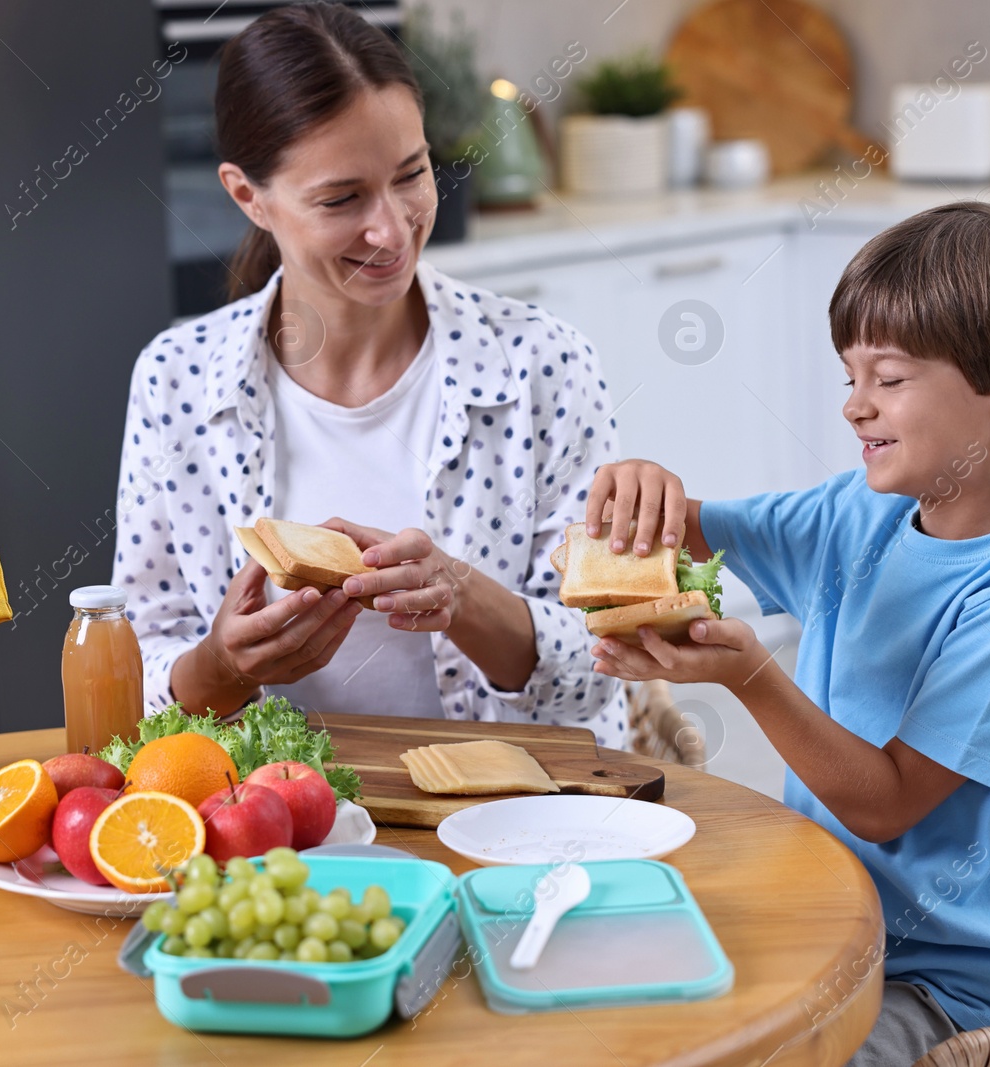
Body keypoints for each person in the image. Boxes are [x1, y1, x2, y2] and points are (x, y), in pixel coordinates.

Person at [586, 201, 990, 1064]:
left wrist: (750, 676)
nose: (855, 408)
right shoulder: (856, 513)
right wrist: (643, 483)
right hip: (840, 926)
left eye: (890, 379)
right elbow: (685, 530)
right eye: (849, 379)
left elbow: (884, 801)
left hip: (969, 991)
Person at [111, 3, 626, 744]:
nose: (390, 229)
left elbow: (607, 663)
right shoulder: (177, 382)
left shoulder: (544, 365)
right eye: (341, 198)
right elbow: (130, 670)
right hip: (285, 834)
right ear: (247, 196)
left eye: (411, 174)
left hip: (513, 823)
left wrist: (464, 595)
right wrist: (222, 667)